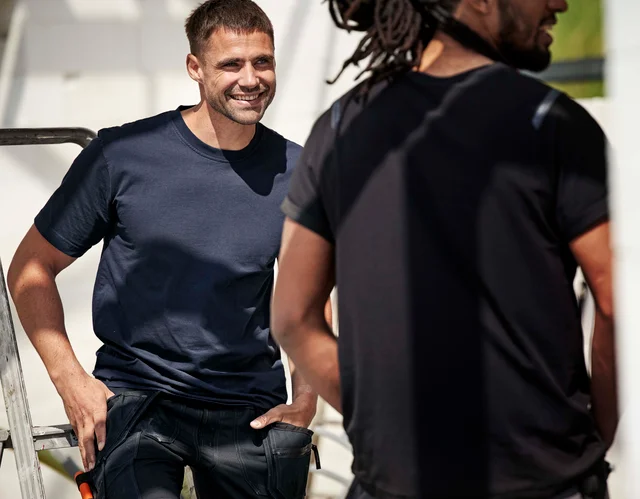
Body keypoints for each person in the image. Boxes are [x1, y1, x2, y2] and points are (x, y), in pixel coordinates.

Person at [271, 0, 617, 498]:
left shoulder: (340, 126)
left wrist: (378, 411)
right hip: (542, 482)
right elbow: (617, 300)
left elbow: (291, 317)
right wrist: (595, 435)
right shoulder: (553, 122)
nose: (559, 3)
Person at [7, 1, 322, 498]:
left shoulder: (297, 170)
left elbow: (309, 297)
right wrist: (71, 381)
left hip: (250, 408)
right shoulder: (122, 155)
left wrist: (306, 397)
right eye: (231, 64)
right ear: (195, 67)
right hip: (139, 398)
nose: (251, 79)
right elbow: (31, 267)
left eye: (262, 61)